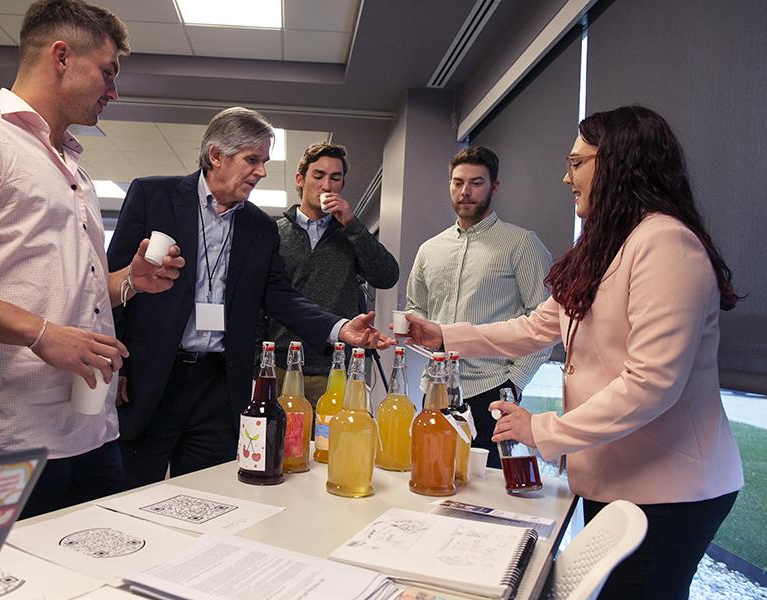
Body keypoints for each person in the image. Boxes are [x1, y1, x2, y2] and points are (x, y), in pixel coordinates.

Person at [405, 106, 744, 599]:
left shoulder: (666, 243)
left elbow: (652, 381)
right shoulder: (605, 246)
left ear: (620, 164)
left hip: (672, 489)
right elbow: (536, 327)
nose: (567, 177)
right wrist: (442, 336)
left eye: (577, 163)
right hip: (616, 474)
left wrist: (544, 429)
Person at [0, 0, 184, 519]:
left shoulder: (71, 166)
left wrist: (129, 282)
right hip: (6, 434)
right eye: (107, 73)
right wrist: (42, 334)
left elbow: (72, 288)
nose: (114, 90)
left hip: (89, 427)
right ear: (61, 56)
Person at [107, 107, 393, 489]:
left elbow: (281, 297)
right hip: (154, 377)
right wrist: (119, 366)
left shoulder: (259, 227)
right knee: (133, 492)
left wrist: (341, 329)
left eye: (264, 161)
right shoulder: (152, 196)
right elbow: (116, 283)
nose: (260, 171)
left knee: (209, 495)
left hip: (220, 386)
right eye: (252, 160)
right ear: (216, 156)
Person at [405, 146, 552, 467]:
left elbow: (543, 322)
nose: (465, 192)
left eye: (476, 182)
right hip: (436, 390)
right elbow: (416, 308)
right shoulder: (430, 250)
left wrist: (514, 383)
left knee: (489, 493)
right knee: (434, 475)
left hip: (493, 390)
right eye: (458, 183)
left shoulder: (522, 244)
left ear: (494, 186)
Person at [265, 142, 399, 406]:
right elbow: (259, 298)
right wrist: (258, 358)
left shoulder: (352, 235)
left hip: (336, 369)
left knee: (337, 445)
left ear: (342, 185)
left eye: (335, 178)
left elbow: (387, 276)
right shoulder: (273, 233)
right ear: (300, 179)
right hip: (280, 366)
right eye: (318, 176)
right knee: (277, 445)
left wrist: (352, 224)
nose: (326, 185)